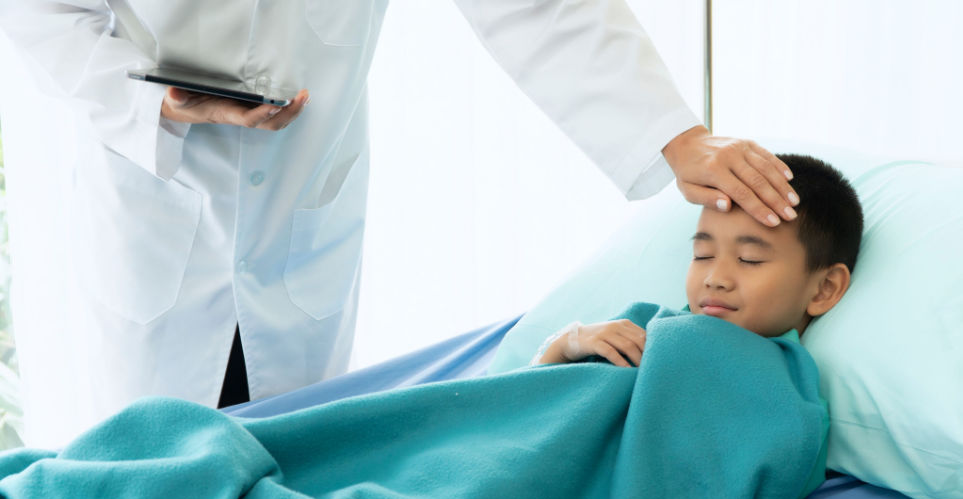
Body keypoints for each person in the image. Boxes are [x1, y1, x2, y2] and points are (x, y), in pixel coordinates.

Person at [0, 1, 800, 448]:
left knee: (283, 462)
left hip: (298, 203)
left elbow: (537, 5)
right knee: (144, 469)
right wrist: (156, 103)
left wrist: (672, 135)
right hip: (152, 186)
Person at [534, 153, 863, 367]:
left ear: (824, 289)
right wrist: (563, 348)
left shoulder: (783, 401)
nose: (715, 278)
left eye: (749, 259)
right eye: (703, 255)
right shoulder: (645, 329)